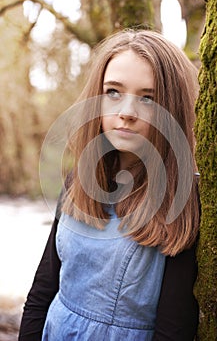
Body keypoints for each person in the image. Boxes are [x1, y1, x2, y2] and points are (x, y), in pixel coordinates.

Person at [18, 29, 201, 341]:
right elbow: (43, 290)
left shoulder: (182, 199)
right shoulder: (78, 180)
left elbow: (174, 329)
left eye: (148, 98)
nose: (126, 113)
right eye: (113, 92)